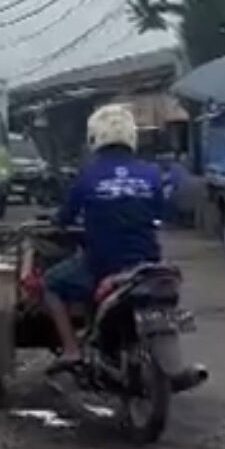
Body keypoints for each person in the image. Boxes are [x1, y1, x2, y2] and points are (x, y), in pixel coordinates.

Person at [43, 104, 165, 368]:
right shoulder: (151, 173)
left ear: (94, 137)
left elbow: (64, 218)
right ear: (132, 136)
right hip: (147, 263)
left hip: (103, 266)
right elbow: (162, 212)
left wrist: (58, 222)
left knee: (50, 283)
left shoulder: (88, 175)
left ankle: (71, 350)